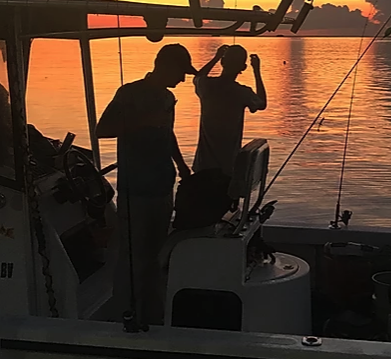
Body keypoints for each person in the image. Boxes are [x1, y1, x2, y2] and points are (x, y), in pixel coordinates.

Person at [96, 43, 195, 325]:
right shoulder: (129, 93)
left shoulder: (168, 97)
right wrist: (144, 121)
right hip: (135, 191)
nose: (183, 79)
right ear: (164, 65)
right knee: (132, 259)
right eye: (181, 71)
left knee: (155, 257)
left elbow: (168, 132)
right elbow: (103, 130)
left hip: (163, 188)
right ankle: (123, 315)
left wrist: (182, 165)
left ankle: (151, 315)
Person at [192, 45, 267, 179]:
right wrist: (256, 71)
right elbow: (261, 103)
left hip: (203, 165)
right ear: (243, 68)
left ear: (222, 62)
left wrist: (215, 57)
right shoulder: (242, 92)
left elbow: (197, 77)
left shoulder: (207, 86)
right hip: (228, 166)